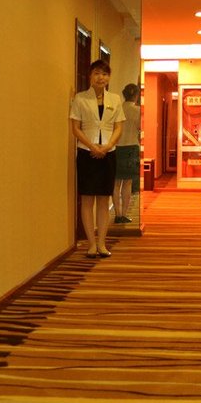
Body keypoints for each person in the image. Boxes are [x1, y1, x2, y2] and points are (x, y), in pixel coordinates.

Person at [70, 60, 124, 258]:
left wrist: (107, 146)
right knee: (87, 199)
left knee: (103, 199)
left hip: (108, 153)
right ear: (90, 76)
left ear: (109, 77)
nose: (101, 77)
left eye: (105, 74)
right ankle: (91, 244)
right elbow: (76, 128)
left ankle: (102, 243)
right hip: (87, 152)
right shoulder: (80, 98)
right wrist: (92, 146)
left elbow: (118, 127)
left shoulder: (115, 99)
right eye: (97, 73)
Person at [113, 83, 140, 224]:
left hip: (116, 148)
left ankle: (117, 214)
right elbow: (140, 127)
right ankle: (123, 214)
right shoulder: (138, 111)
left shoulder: (117, 109)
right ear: (136, 95)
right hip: (131, 148)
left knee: (116, 183)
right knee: (128, 183)